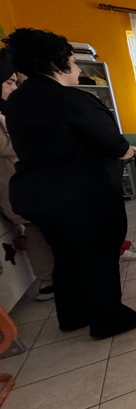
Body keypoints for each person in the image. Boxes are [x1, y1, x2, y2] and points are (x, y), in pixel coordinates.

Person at [4, 28, 136, 338]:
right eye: (73, 60)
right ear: (57, 63)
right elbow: (115, 145)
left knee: (66, 255)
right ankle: (109, 319)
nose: (80, 68)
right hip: (79, 195)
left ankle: (72, 315)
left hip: (34, 194)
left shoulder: (17, 100)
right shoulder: (72, 100)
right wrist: (131, 151)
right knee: (100, 254)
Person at [0, 57, 54, 301]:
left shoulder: (7, 109)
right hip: (13, 185)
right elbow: (8, 145)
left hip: (26, 183)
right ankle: (48, 282)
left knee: (40, 231)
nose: (14, 88)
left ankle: (52, 279)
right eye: (10, 83)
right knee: (37, 232)